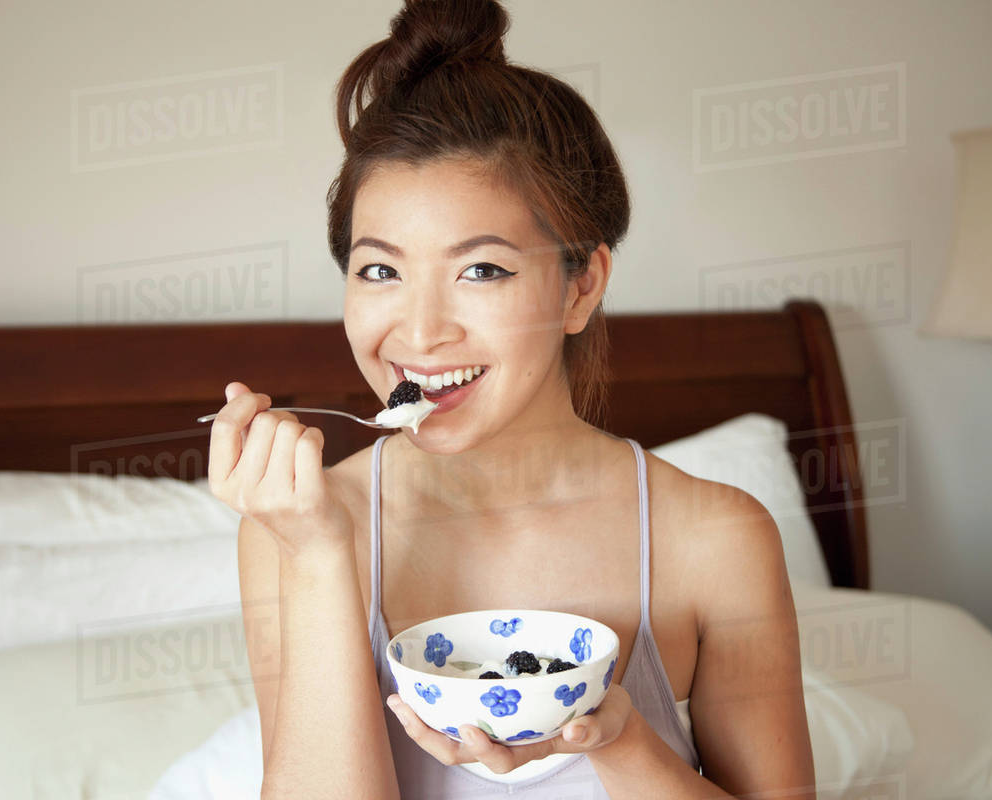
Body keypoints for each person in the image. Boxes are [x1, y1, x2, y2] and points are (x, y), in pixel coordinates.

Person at [207, 0, 815, 797]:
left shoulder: (715, 539)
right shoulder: (295, 532)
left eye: (482, 270)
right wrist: (320, 558)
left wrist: (620, 740)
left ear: (580, 286)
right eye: (381, 270)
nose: (420, 332)